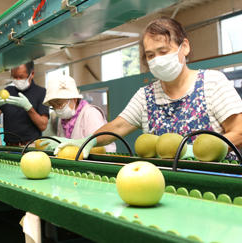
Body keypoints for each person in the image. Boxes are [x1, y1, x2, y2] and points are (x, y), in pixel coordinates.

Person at [55, 17, 242, 159]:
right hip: (162, 187)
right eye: (150, 55)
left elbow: (239, 131)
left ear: (184, 47)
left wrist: (196, 151)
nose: (157, 59)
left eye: (163, 51)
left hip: (217, 183)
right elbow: (117, 127)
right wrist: (87, 141)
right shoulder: (147, 96)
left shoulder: (212, 83)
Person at [40, 75, 116, 152]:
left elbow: (102, 148)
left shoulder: (90, 114)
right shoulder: (63, 119)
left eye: (60, 104)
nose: (58, 109)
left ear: (74, 99)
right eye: (53, 106)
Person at [0, 61, 49, 145]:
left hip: (30, 146)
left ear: (32, 74)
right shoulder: (8, 91)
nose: (17, 80)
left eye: (21, 77)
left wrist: (29, 108)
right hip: (10, 147)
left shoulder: (41, 92)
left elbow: (43, 126)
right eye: (14, 77)